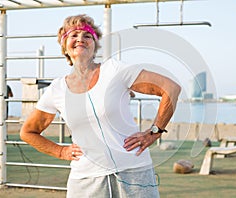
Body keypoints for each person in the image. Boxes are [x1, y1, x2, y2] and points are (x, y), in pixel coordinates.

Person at [20, 14, 181, 197]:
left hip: (134, 173)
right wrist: (61, 151)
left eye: (87, 36)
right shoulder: (56, 89)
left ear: (95, 45)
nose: (80, 38)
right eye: (74, 35)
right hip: (86, 179)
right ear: (64, 46)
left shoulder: (114, 70)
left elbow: (171, 88)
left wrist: (155, 131)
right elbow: (28, 131)